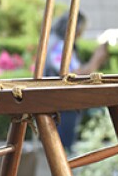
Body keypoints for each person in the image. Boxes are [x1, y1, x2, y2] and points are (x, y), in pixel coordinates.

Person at [44, 12, 109, 151]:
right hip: (61, 108)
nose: (80, 34)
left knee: (62, 150)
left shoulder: (59, 44)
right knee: (62, 152)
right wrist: (96, 59)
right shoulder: (59, 46)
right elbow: (75, 75)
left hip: (62, 107)